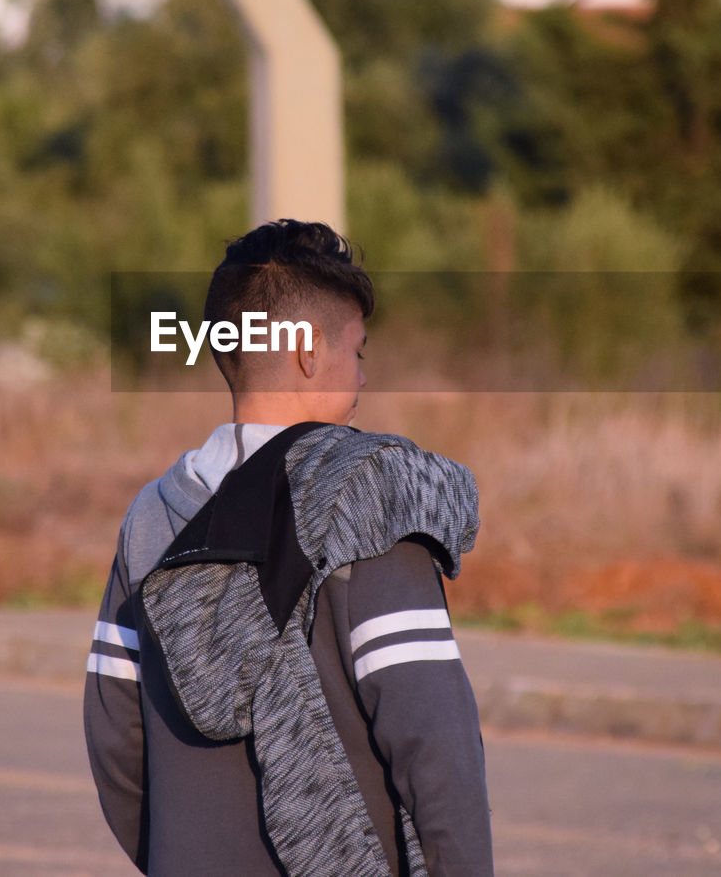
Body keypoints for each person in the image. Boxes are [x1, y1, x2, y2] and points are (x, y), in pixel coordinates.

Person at [84, 219, 493, 876]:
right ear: (307, 351)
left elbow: (116, 743)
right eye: (357, 351)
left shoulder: (150, 519)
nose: (362, 377)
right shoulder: (373, 496)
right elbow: (435, 746)